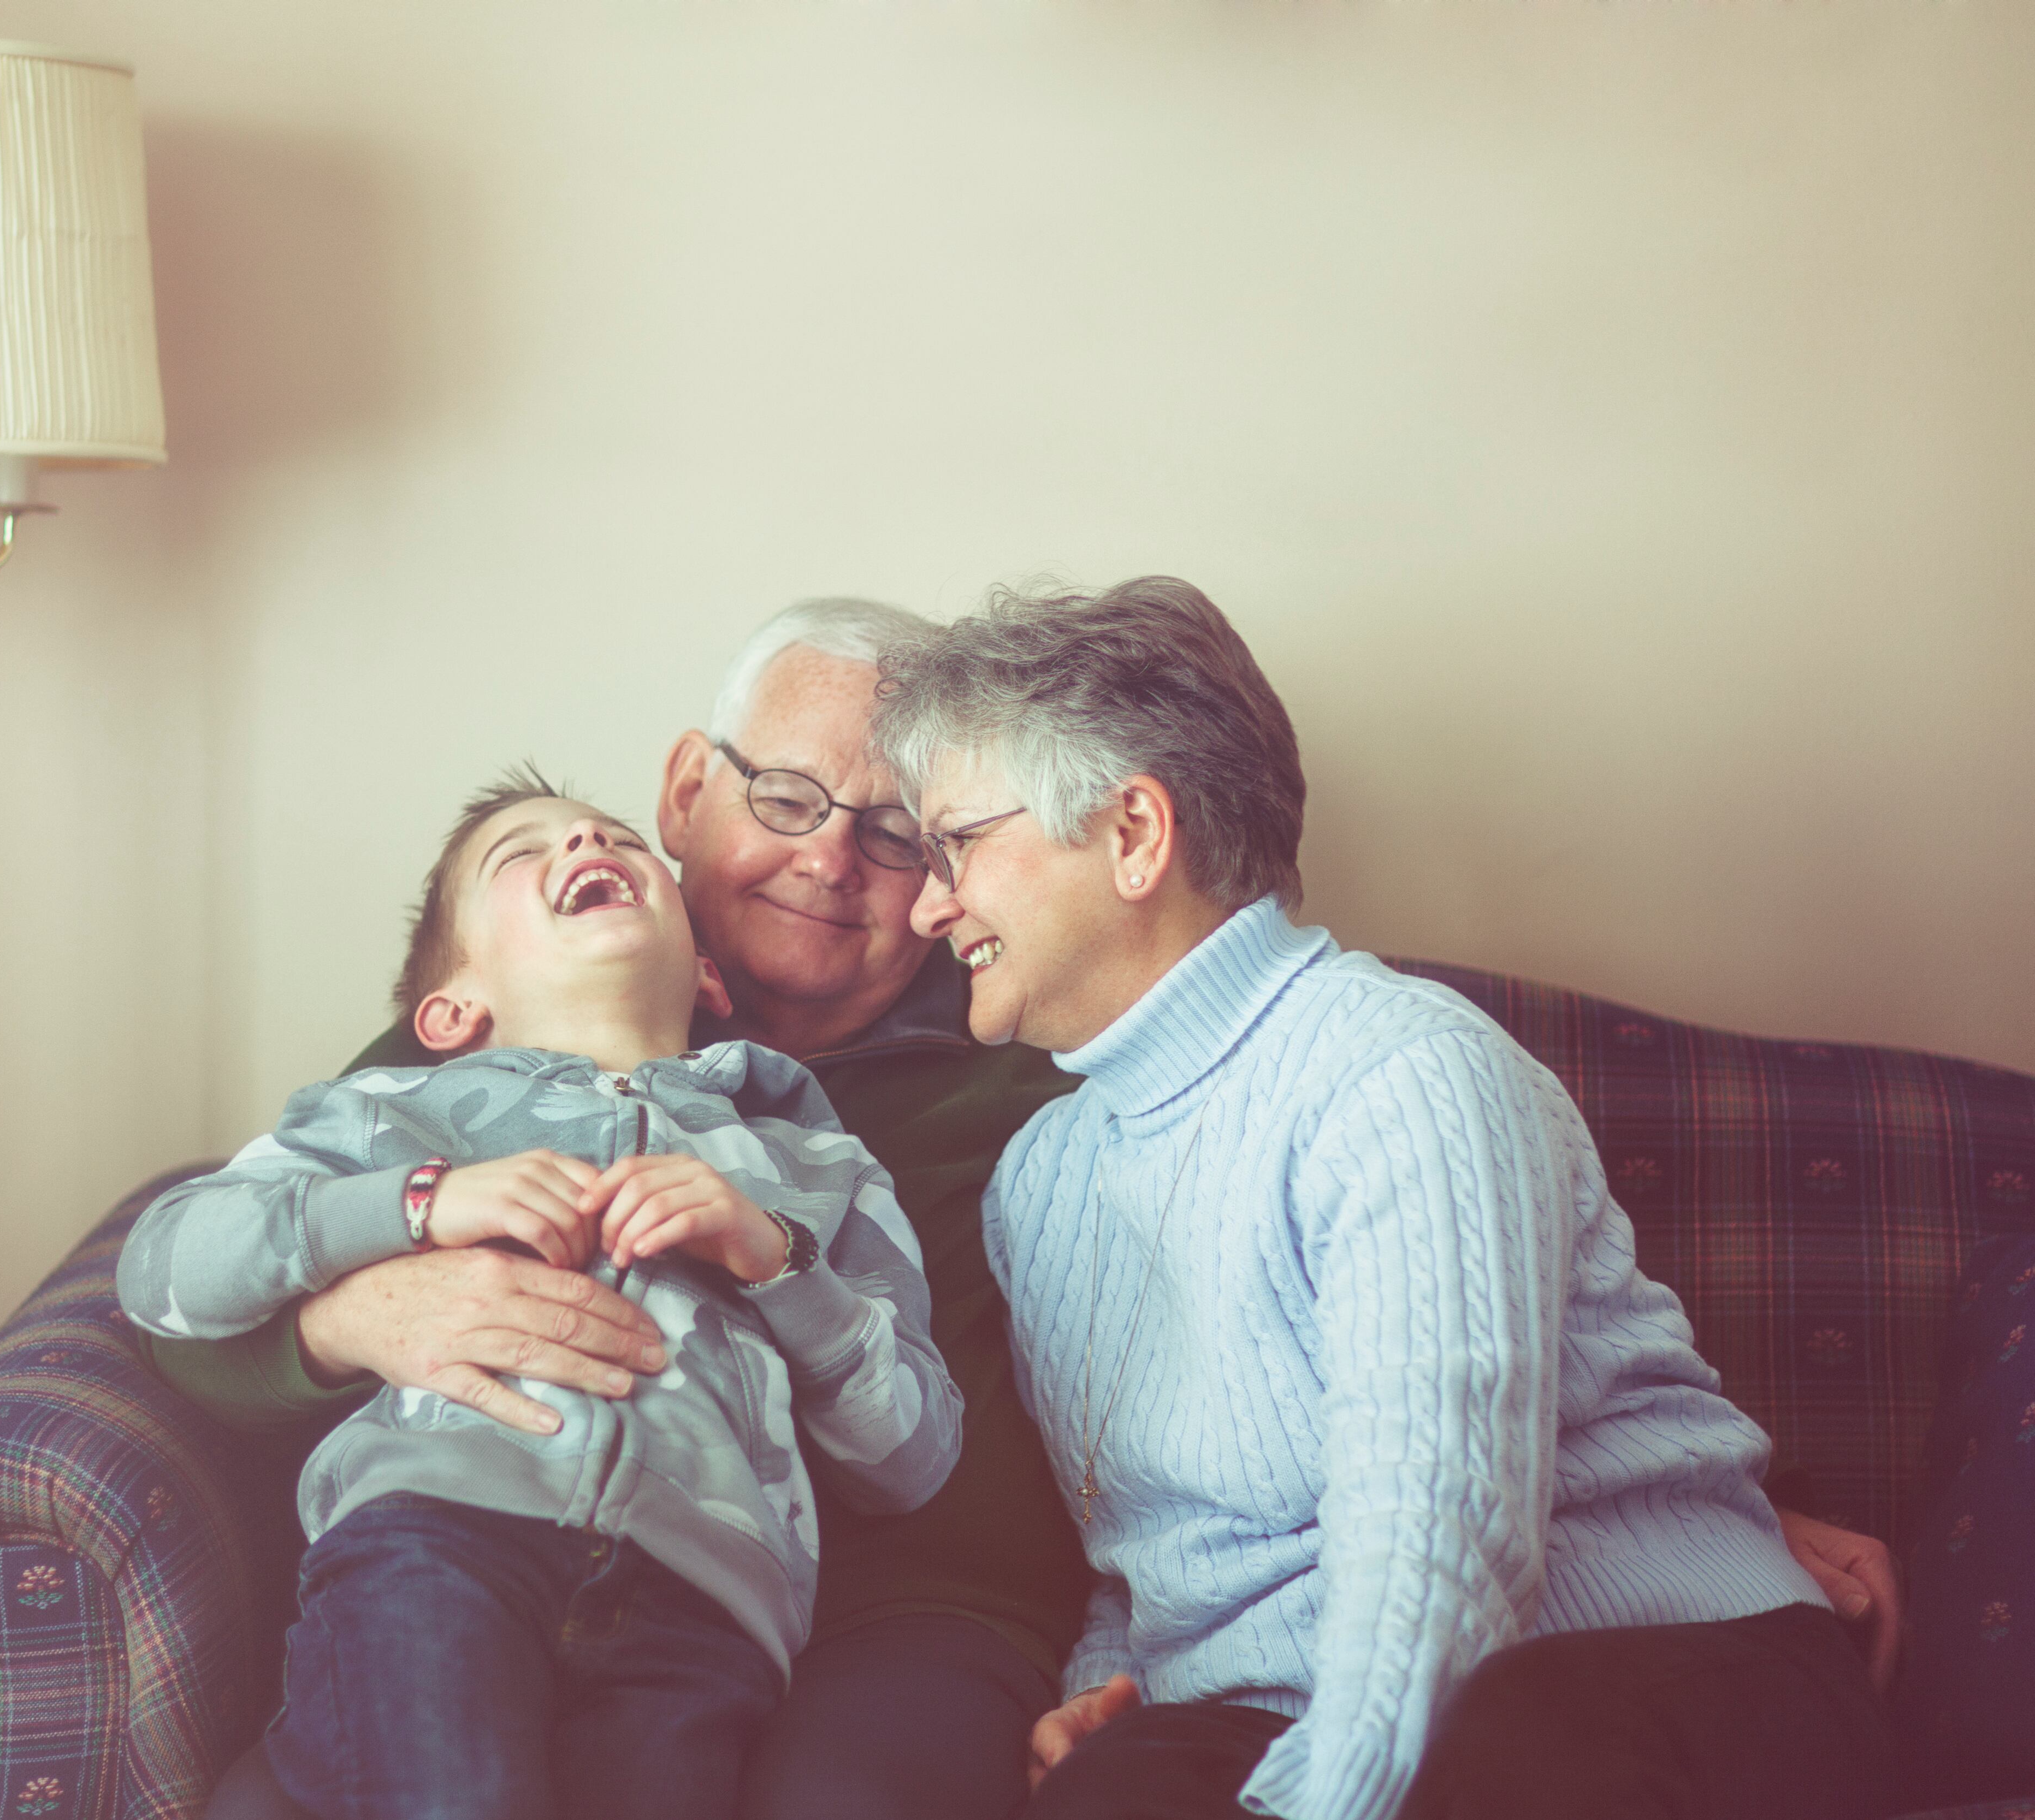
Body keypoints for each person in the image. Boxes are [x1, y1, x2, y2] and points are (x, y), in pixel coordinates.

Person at [160, 597, 1904, 1820]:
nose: (894, 889)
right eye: (789, 803)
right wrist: (356, 1305)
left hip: (1292, 1661)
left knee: (1518, 1743)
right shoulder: (508, 1017)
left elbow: (1443, 1474)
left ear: (1132, 835)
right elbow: (191, 1268)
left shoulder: (1177, 1090)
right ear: (688, 793)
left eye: (930, 840)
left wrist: (1729, 1491)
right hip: (546, 1549)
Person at [875, 577, 1900, 1820]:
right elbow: (1135, 1543)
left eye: (957, 844)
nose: (929, 903)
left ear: (1135, 832)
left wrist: (1317, 1802)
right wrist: (1109, 1693)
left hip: (1646, 1660)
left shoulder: (1398, 1068)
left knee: (1503, 1761)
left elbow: (1440, 1531)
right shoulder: (1040, 1181)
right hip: (1285, 1707)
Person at [119, 770, 962, 1820]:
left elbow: (911, 1458)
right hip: (438, 1532)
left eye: (612, 836)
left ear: (707, 974)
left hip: (704, 1606)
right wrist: (419, 1203)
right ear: (451, 1009)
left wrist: (775, 1257)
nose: (582, 846)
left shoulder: (820, 1163)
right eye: (524, 852)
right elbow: (163, 1268)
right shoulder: (386, 1115)